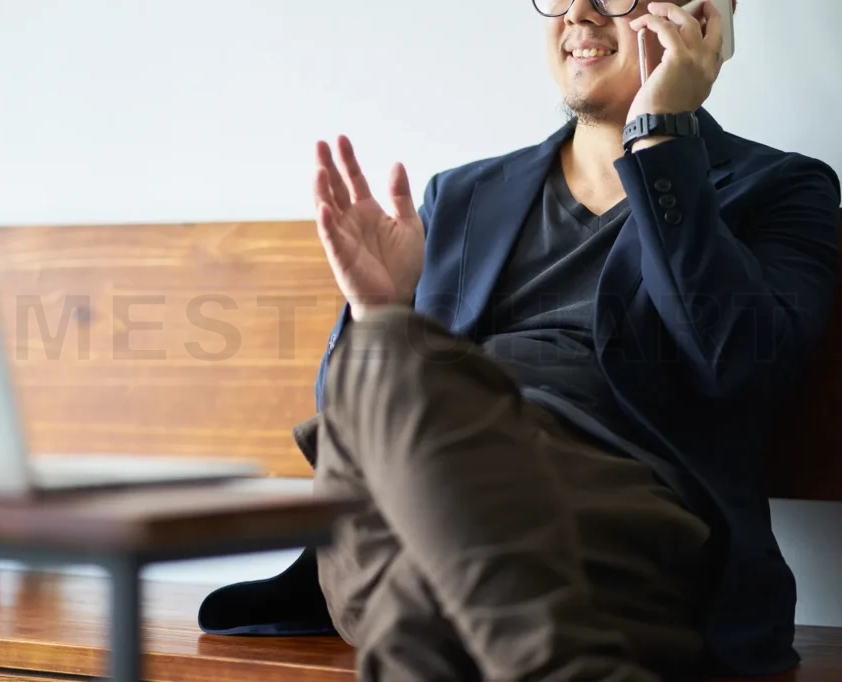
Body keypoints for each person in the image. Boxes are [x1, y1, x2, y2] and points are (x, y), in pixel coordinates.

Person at [198, 0, 842, 679]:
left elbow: (734, 364)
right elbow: (359, 415)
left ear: (702, 13)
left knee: (426, 612)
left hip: (608, 517)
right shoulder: (462, 196)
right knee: (392, 365)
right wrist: (377, 311)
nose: (582, 13)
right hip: (403, 518)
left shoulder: (779, 190)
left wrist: (661, 139)